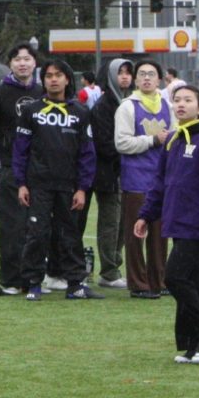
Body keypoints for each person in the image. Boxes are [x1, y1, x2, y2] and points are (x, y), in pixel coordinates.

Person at [135, 85, 199, 365]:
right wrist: (146, 214)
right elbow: (160, 183)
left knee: (174, 277)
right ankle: (196, 346)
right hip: (176, 221)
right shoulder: (174, 140)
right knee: (188, 279)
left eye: (188, 100)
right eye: (176, 100)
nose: (181, 104)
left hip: (197, 223)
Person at [12, 59, 102, 301]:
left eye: (58, 75)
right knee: (37, 233)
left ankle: (75, 284)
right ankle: (33, 282)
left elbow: (87, 154)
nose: (53, 79)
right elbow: (20, 150)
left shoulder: (81, 112)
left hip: (69, 186)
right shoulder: (31, 111)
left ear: (67, 79)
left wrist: (83, 188)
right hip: (38, 185)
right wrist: (21, 183)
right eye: (49, 75)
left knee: (70, 234)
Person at [0, 43, 43, 294]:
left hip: (38, 170)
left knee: (37, 226)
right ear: (10, 64)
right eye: (17, 59)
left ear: (35, 63)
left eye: (27, 59)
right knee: (11, 225)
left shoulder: (42, 92)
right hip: (8, 170)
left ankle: (34, 277)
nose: (22, 63)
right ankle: (10, 278)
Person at [115, 59, 175, 299]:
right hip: (136, 179)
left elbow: (175, 137)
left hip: (161, 179)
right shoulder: (127, 107)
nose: (147, 78)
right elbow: (121, 142)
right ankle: (139, 283)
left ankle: (158, 280)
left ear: (159, 79)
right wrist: (151, 140)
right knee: (136, 233)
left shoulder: (168, 106)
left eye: (151, 74)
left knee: (161, 234)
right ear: (136, 80)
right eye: (142, 74)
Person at [81, 57, 133, 290]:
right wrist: (134, 147)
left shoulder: (130, 102)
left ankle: (114, 266)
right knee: (111, 223)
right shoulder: (104, 106)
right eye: (120, 72)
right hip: (109, 174)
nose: (124, 76)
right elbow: (104, 144)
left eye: (127, 72)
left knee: (123, 223)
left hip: (128, 173)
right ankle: (109, 271)